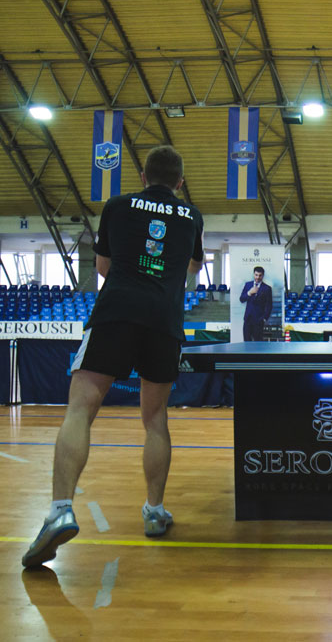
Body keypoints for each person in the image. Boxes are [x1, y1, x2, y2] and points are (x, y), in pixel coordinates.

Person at [23, 145, 204, 568]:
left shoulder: (118, 206)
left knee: (80, 409)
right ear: (179, 182)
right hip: (164, 321)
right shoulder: (192, 216)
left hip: (116, 313)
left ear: (143, 176)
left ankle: (60, 510)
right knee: (155, 419)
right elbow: (193, 269)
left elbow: (103, 267)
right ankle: (155, 511)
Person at [239, 266, 272, 341]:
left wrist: (264, 319)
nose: (258, 277)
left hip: (259, 320)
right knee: (246, 342)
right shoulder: (248, 285)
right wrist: (249, 293)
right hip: (247, 319)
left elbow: (269, 305)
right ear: (253, 274)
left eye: (260, 275)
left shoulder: (267, 288)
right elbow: (241, 299)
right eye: (256, 275)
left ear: (263, 276)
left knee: (258, 343)